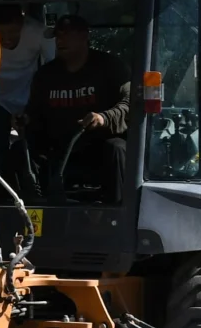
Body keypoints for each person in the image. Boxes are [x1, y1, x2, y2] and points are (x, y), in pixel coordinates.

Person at [24, 13, 130, 203]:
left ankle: (116, 216)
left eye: (66, 35)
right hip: (59, 151)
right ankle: (32, 213)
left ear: (84, 36)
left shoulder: (110, 67)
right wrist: (25, 119)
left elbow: (130, 104)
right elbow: (35, 113)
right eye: (57, 36)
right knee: (21, 149)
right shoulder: (46, 75)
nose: (60, 41)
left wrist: (104, 118)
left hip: (99, 150)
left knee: (118, 149)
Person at [0, 4, 48, 199]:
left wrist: (37, 104)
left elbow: (52, 67)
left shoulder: (36, 33)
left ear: (22, 24)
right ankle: (0, 195)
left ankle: (34, 191)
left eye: (13, 32)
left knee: (31, 147)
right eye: (1, 33)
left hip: (29, 94)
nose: (6, 38)